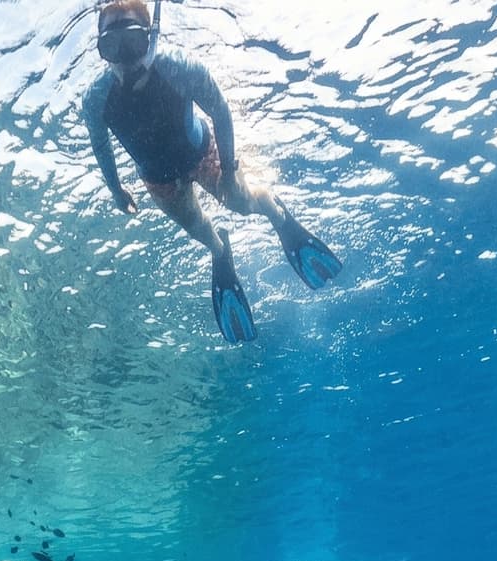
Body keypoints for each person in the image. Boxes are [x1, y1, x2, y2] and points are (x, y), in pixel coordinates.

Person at [82, 0, 341, 343]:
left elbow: (220, 110)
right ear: (101, 50)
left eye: (132, 41)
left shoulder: (177, 67)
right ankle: (222, 252)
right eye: (111, 46)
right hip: (159, 178)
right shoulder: (96, 98)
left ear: (152, 36)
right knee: (199, 231)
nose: (125, 58)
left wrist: (230, 172)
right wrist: (116, 190)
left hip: (202, 152)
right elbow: (101, 146)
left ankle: (278, 216)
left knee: (241, 201)